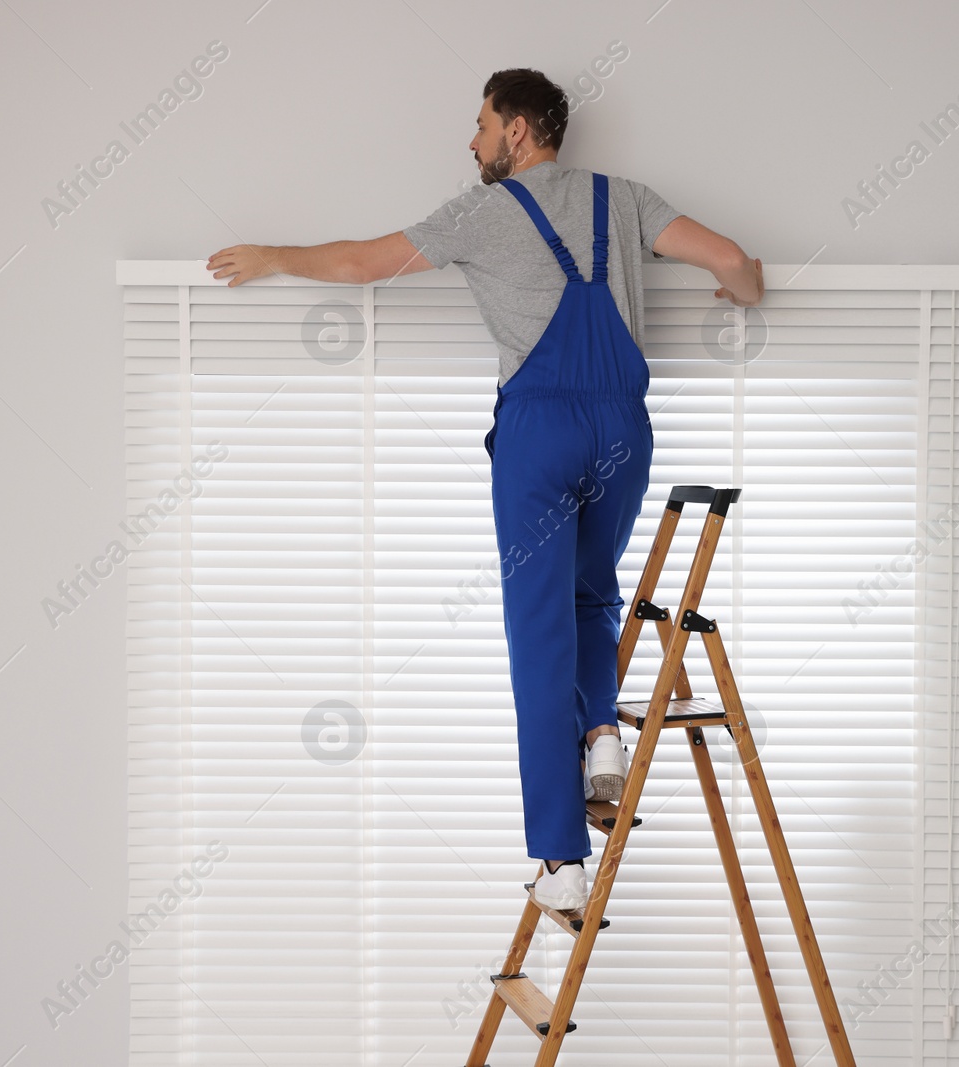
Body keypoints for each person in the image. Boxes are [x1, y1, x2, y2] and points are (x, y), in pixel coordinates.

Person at [206, 68, 762, 912]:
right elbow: (733, 261)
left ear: (522, 129)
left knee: (537, 633)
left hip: (539, 434)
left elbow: (365, 261)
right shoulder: (628, 199)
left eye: (480, 124)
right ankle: (604, 735)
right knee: (590, 593)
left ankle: (560, 862)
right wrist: (739, 291)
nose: (470, 142)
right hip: (622, 432)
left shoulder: (481, 214)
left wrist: (274, 255)